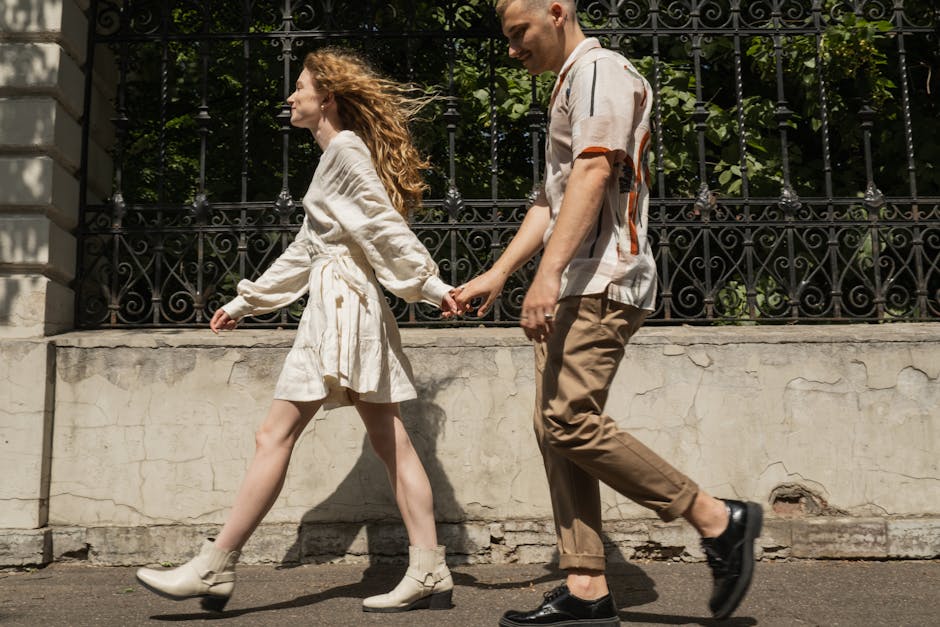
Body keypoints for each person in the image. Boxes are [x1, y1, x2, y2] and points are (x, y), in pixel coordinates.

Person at [453, 2, 762, 625]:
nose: (513, 50)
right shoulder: (571, 83)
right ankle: (586, 588)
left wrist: (546, 277)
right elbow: (552, 198)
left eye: (520, 34)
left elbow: (595, 171)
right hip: (575, 278)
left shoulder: (600, 72)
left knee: (569, 420)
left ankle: (716, 519)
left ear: (557, 12)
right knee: (554, 428)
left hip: (602, 275)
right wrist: (501, 271)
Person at [136, 47, 457, 614]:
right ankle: (428, 567)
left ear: (326, 98)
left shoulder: (346, 152)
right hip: (342, 305)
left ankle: (214, 567)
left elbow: (383, 226)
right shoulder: (335, 156)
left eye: (300, 87)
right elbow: (310, 248)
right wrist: (248, 301)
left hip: (343, 308)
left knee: (278, 435)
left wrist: (431, 286)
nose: (291, 97)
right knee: (390, 442)